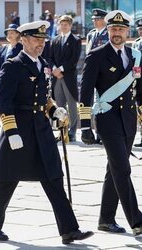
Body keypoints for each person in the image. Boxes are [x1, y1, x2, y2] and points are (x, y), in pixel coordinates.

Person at [0, 20, 94, 245]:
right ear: (23, 40)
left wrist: (55, 111)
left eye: (43, 40)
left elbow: (44, 98)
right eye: (35, 40)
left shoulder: (44, 63)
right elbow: (4, 102)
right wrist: (11, 131)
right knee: (7, 179)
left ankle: (69, 230)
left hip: (41, 130)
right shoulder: (12, 65)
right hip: (20, 130)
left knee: (54, 177)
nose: (40, 44)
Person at [79, 10, 142, 236]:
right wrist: (85, 125)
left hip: (129, 120)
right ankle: (137, 220)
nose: (117, 33)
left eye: (121, 29)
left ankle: (106, 219)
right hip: (108, 119)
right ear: (107, 30)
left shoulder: (134, 55)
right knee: (122, 168)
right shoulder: (96, 55)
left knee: (114, 169)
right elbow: (85, 92)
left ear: (128, 31)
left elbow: (139, 89)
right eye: (113, 29)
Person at [50, 15, 82, 142]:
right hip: (57, 78)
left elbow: (74, 60)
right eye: (61, 24)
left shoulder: (76, 40)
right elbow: (50, 58)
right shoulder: (55, 40)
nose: (63, 26)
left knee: (72, 105)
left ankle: (72, 131)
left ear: (70, 25)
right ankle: (62, 131)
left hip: (68, 77)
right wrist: (54, 69)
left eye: (66, 24)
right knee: (60, 105)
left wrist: (61, 69)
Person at [86, 8, 109, 144]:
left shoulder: (108, 34)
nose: (94, 21)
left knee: (102, 103)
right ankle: (94, 132)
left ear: (104, 20)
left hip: (104, 74)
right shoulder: (91, 34)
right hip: (92, 73)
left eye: (97, 19)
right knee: (93, 104)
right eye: (93, 19)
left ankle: (102, 134)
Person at [133, 19, 142, 147]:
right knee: (140, 108)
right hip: (139, 81)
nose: (141, 31)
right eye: (139, 29)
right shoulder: (136, 44)